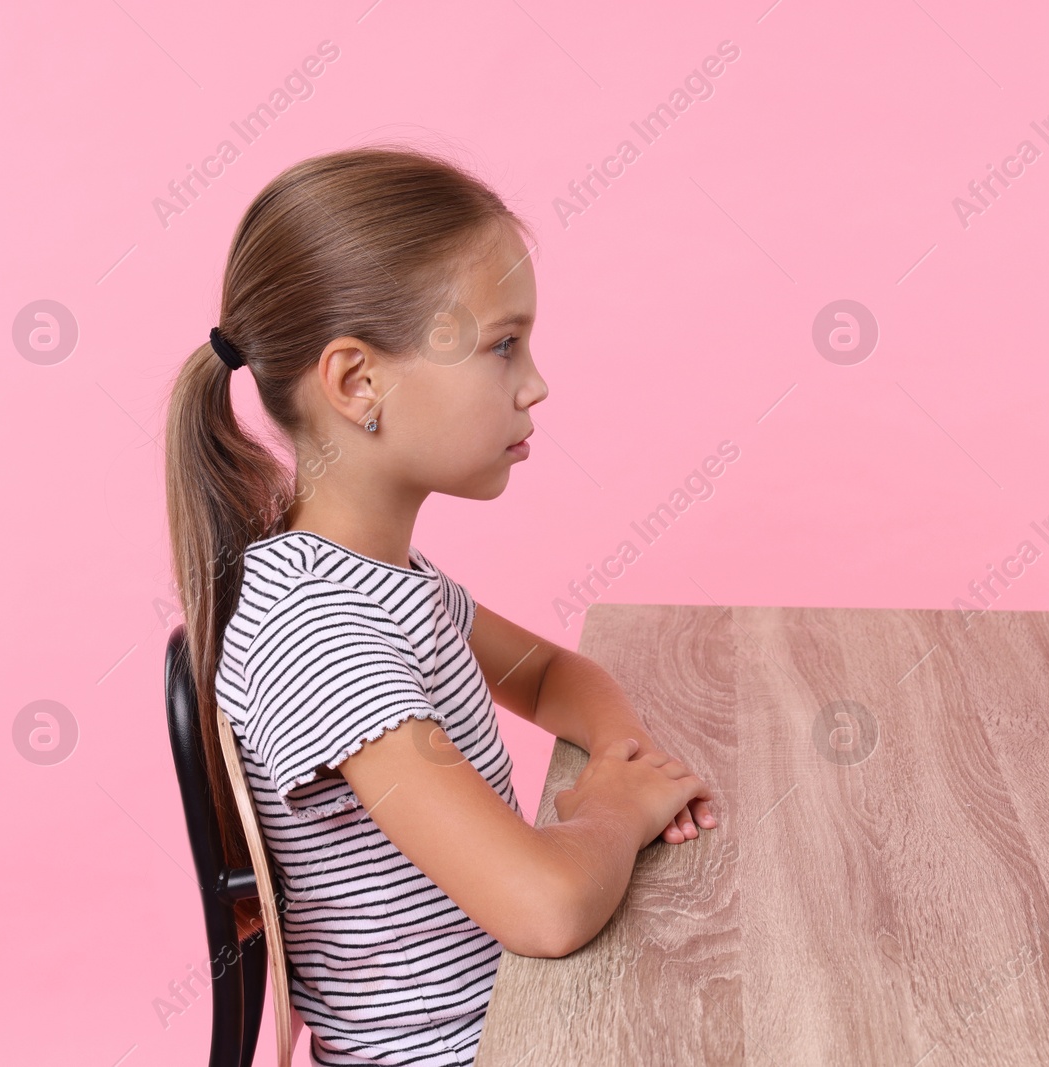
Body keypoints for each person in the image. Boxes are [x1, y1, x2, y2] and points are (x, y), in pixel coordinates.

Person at [162, 145, 716, 1066]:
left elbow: (550, 674)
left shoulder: (376, 578)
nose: (534, 383)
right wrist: (613, 814)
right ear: (357, 384)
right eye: (503, 344)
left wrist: (623, 760)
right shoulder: (320, 635)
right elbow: (542, 906)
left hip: (523, 1011)